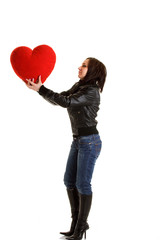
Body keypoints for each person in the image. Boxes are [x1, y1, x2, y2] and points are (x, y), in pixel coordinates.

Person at [26, 57, 107, 240]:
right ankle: (75, 223)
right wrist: (39, 90)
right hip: (78, 140)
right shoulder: (79, 86)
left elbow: (67, 102)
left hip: (90, 141)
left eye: (84, 66)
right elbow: (61, 99)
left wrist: (42, 89)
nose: (79, 67)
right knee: (69, 181)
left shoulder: (92, 91)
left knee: (82, 184)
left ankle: (80, 227)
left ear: (93, 70)